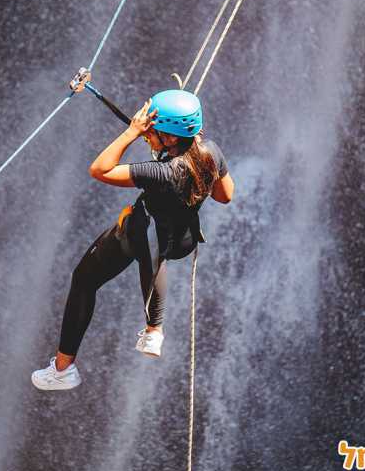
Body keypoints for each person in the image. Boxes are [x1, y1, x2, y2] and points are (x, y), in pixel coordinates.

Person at [31, 88, 234, 390]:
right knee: (156, 243)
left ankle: (63, 370)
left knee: (85, 278)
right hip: (183, 239)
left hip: (143, 235)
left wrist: (131, 133)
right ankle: (152, 331)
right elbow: (225, 195)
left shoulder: (159, 171)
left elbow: (99, 170)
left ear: (171, 137)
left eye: (152, 129)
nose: (146, 132)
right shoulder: (211, 153)